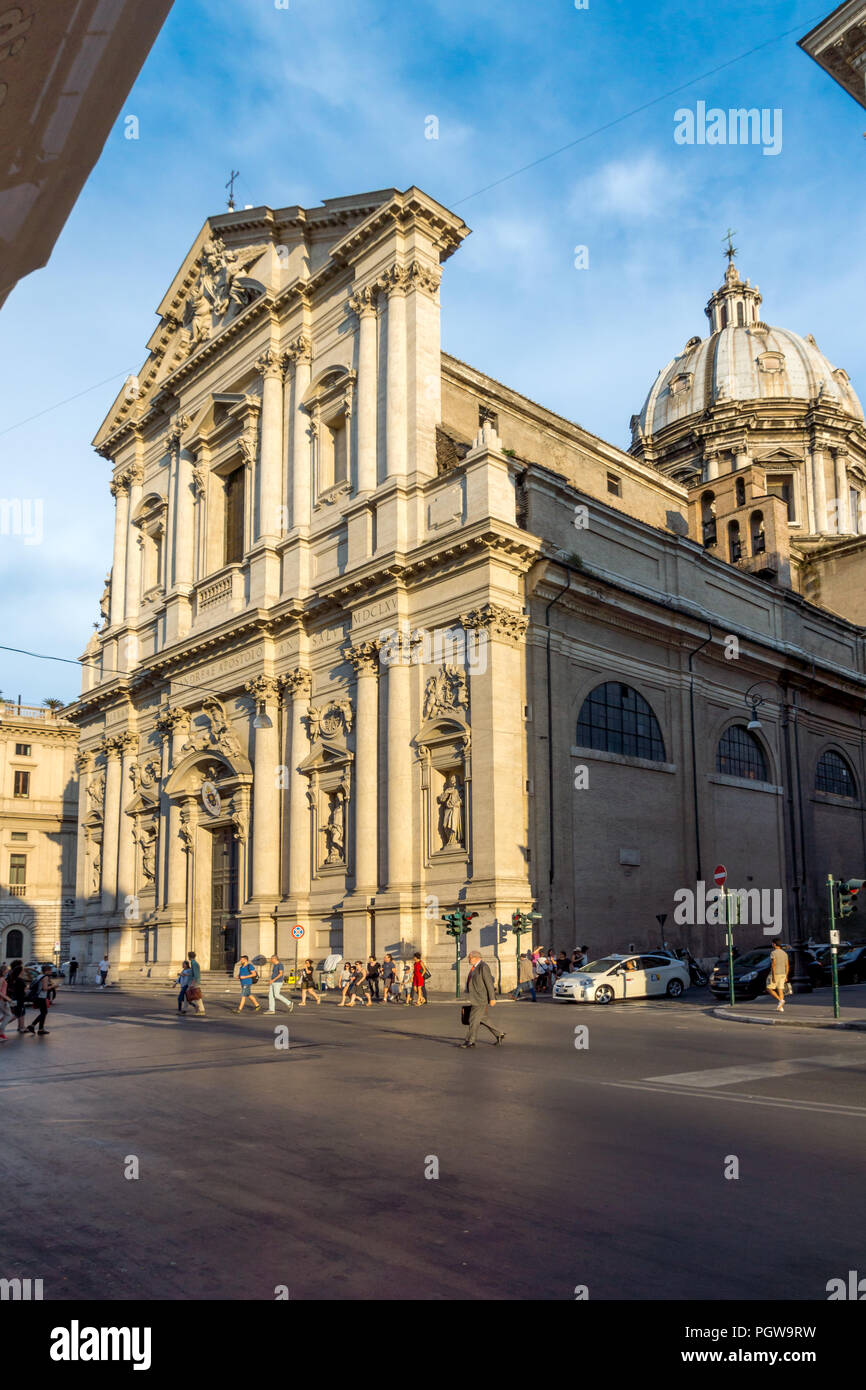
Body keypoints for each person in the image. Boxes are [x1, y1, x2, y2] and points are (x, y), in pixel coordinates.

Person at [460, 950, 505, 1048]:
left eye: (469, 957)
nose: (468, 959)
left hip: (480, 998)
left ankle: (470, 1041)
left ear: (476, 958)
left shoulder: (483, 967)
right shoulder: (475, 967)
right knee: (483, 1019)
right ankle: (499, 1034)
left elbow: (489, 983)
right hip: (476, 997)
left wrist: (492, 998)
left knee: (473, 1020)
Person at [25, 965, 54, 1035]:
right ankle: (32, 1026)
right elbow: (44, 988)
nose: (51, 971)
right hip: (41, 997)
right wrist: (54, 986)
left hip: (37, 996)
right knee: (44, 1013)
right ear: (46, 971)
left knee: (43, 1013)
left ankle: (40, 1029)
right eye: (50, 970)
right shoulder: (45, 977)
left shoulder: (39, 976)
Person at [767, 938, 789, 1013]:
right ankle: (780, 1007)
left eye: (772, 943)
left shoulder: (773, 953)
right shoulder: (784, 953)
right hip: (783, 974)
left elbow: (773, 965)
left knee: (769, 988)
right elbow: (787, 966)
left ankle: (780, 1000)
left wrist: (773, 976)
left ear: (774, 944)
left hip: (776, 973)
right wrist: (786, 975)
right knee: (780, 989)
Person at [6, 961, 29, 1034]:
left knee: (20, 1013)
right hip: (19, 999)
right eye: (22, 970)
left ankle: (21, 1027)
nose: (23, 972)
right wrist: (26, 988)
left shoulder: (14, 978)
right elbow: (24, 989)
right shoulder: (20, 980)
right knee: (16, 1014)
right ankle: (2, 1025)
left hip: (15, 998)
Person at [0, 964, 12, 1040]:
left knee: (5, 1015)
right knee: (8, 1015)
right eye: (7, 970)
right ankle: (1, 1033)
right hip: (1, 1000)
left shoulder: (2, 978)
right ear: (4, 971)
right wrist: (8, 999)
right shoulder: (1, 979)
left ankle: (2, 1033)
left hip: (2, 999)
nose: (8, 971)